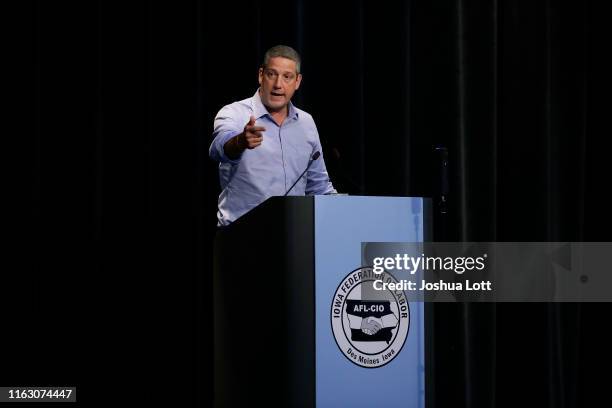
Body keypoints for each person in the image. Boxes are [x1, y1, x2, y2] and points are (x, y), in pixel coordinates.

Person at [209, 45, 337, 226]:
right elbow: (218, 149)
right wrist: (239, 141)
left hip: (294, 235)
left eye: (287, 77)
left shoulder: (306, 122)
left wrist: (345, 212)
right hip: (242, 235)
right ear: (261, 75)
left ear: (298, 81)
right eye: (272, 74)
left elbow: (319, 186)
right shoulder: (234, 113)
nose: (278, 84)